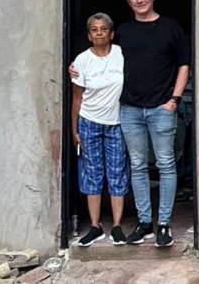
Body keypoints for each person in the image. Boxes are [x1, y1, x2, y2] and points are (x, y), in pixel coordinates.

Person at [116, 0, 190, 248]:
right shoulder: (122, 31)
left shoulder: (170, 28)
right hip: (130, 108)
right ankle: (144, 222)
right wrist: (77, 68)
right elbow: (103, 58)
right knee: (137, 166)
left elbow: (184, 65)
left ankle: (163, 224)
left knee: (165, 165)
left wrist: (174, 99)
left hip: (162, 107)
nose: (139, 0)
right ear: (128, 1)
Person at [71, 13, 128, 247]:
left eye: (103, 29)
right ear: (89, 35)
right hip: (89, 121)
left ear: (111, 33)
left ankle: (116, 226)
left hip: (116, 122)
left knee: (117, 172)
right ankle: (95, 226)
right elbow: (76, 98)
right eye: (94, 29)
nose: (99, 32)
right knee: (92, 173)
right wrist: (74, 129)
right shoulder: (81, 61)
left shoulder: (121, 54)